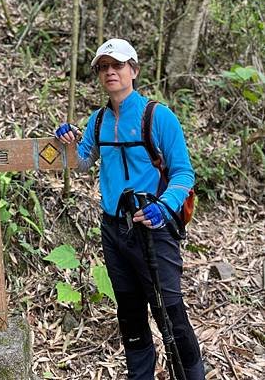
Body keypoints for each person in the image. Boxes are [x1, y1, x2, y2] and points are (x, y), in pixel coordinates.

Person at [55, 38, 205, 380]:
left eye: (118, 65)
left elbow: (183, 172)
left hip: (154, 228)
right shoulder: (97, 121)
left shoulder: (158, 116)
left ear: (133, 70)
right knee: (130, 313)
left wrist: (163, 207)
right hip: (114, 229)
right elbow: (81, 163)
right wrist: (64, 142)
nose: (111, 72)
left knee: (170, 312)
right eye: (104, 67)